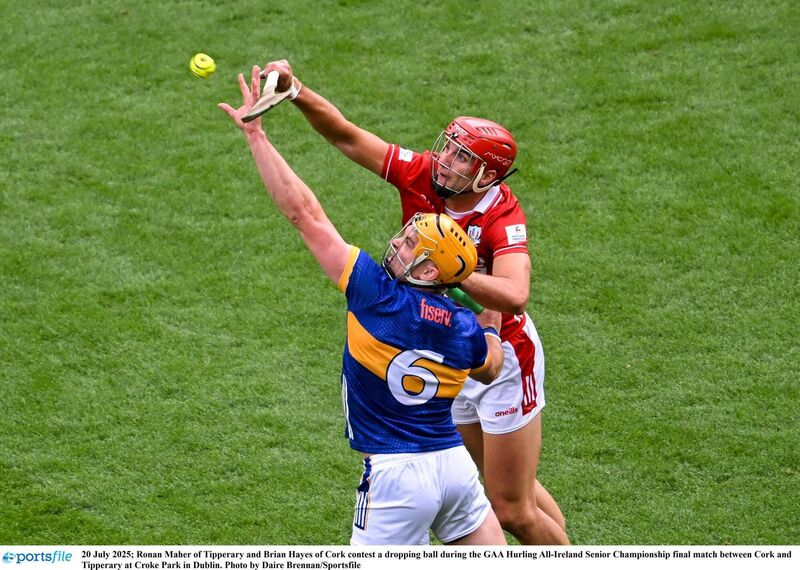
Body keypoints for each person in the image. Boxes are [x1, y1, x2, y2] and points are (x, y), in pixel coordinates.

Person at [258, 59, 570, 545]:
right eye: (448, 147)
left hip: (501, 355)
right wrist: (296, 90)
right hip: (450, 349)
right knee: (501, 487)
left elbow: (514, 296)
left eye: (461, 158)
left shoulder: (501, 216)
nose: (444, 159)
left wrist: (456, 269)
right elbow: (345, 136)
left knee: (510, 507)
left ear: (487, 174)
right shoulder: (423, 173)